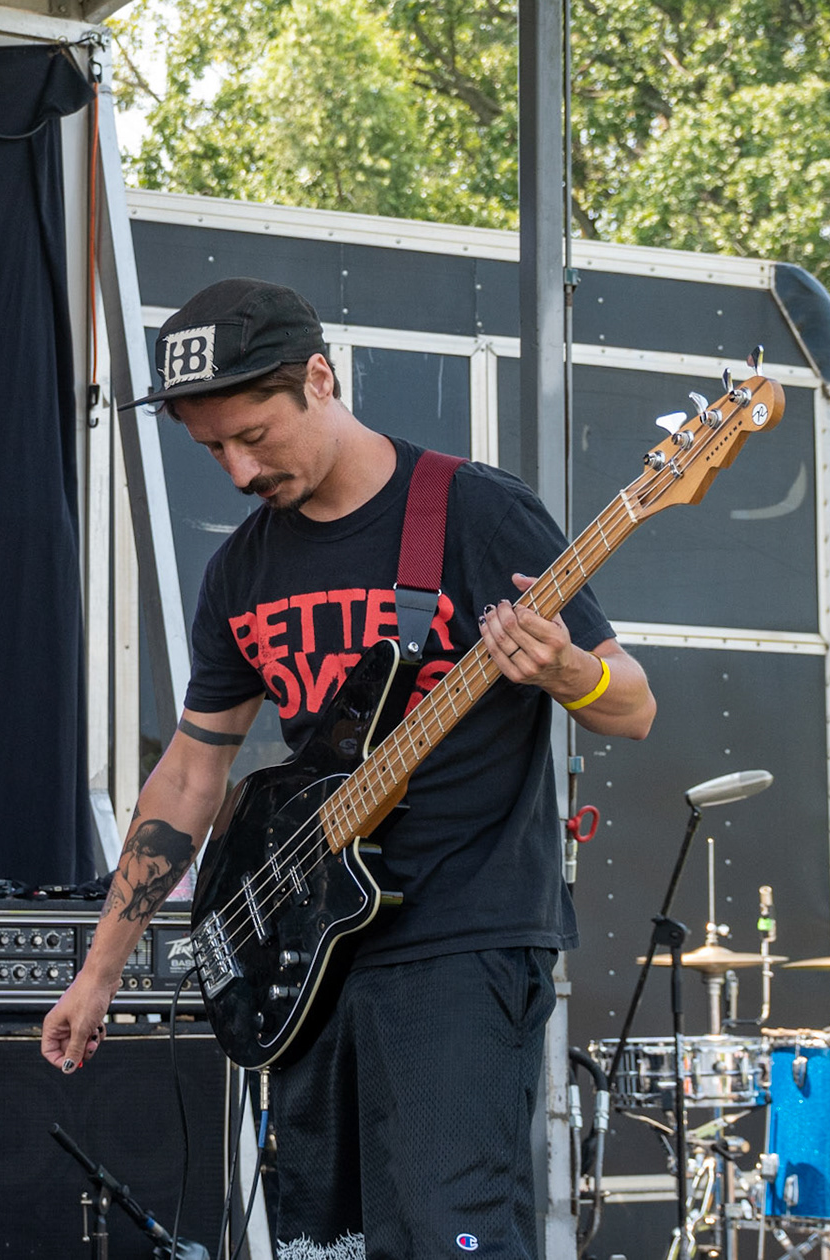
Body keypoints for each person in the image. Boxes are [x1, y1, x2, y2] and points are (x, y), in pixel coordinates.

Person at [42, 279, 655, 1260]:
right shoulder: (240, 571)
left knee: (451, 1235)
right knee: (323, 1245)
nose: (239, 470)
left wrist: (567, 671)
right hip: (306, 957)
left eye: (254, 436)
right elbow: (191, 775)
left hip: (460, 938)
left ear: (320, 379)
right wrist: (101, 969)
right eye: (212, 450)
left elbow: (634, 704)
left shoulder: (475, 511)